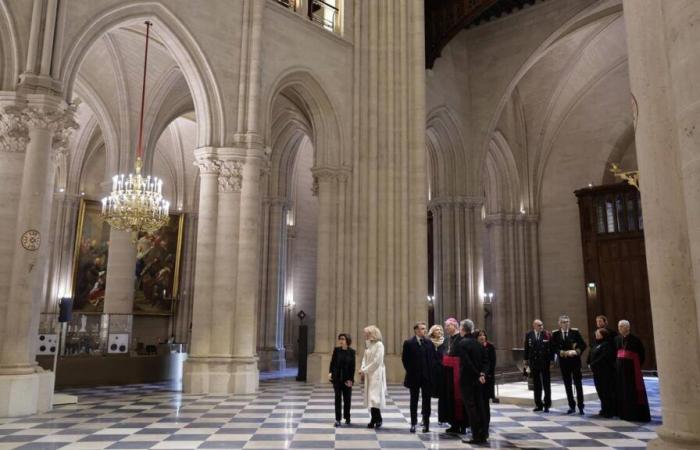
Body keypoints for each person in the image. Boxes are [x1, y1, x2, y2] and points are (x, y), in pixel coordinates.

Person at [456, 319, 489, 445]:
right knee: (480, 407)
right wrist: (482, 374)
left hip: (467, 380)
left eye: (460, 327)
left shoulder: (462, 343)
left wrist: (477, 374)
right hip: (479, 380)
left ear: (463, 329)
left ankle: (476, 436)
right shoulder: (478, 344)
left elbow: (467, 363)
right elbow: (486, 362)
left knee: (471, 408)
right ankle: (483, 434)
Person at [402, 321, 435, 433]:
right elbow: (405, 360)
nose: (424, 330)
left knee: (427, 401)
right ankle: (413, 423)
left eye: (425, 328)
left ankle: (426, 423)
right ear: (416, 330)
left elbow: (432, 359)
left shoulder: (429, 343)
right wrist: (411, 371)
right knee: (414, 400)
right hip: (414, 376)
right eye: (421, 328)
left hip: (427, 377)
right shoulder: (408, 343)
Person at [615, 320, 651, 422]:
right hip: (620, 371)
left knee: (632, 392)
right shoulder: (617, 339)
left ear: (628, 327)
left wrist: (635, 365)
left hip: (631, 371)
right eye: (619, 326)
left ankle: (633, 414)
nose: (620, 328)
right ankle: (623, 413)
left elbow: (641, 355)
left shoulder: (636, 340)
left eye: (622, 326)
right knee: (622, 391)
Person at [551, 314, 587, 414]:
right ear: (559, 323)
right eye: (563, 322)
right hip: (564, 362)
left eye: (567, 322)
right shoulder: (555, 334)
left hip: (575, 362)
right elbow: (553, 347)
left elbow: (583, 345)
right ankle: (571, 406)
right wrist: (562, 353)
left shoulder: (575, 332)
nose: (566, 324)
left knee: (578, 384)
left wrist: (576, 352)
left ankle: (581, 406)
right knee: (567, 385)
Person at [438, 318, 466, 434]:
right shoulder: (447, 340)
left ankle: (462, 425)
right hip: (448, 374)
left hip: (458, 373)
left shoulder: (461, 338)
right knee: (450, 398)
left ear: (455, 326)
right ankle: (453, 424)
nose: (446, 328)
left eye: (448, 326)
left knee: (459, 399)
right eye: (446, 326)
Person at [360, 325, 387, 428]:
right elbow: (364, 358)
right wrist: (363, 368)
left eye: (366, 333)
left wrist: (365, 370)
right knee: (371, 398)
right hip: (369, 374)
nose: (365, 335)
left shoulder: (379, 345)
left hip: (376, 374)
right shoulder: (369, 344)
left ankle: (376, 419)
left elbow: (377, 362)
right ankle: (375, 418)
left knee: (374, 397)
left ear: (372, 334)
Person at [523, 319, 553, 412]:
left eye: (542, 325)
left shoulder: (547, 334)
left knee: (546, 384)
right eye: (539, 325)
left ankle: (547, 404)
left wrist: (552, 361)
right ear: (534, 326)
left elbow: (551, 348)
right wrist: (525, 360)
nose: (541, 327)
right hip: (534, 363)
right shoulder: (529, 334)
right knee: (536, 385)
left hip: (544, 362)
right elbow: (526, 348)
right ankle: (538, 404)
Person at [588, 328, 616, 418]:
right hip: (597, 372)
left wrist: (593, 364)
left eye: (598, 333)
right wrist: (588, 362)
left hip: (605, 372)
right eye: (596, 333)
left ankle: (609, 410)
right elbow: (591, 354)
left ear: (603, 334)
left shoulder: (607, 345)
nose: (596, 335)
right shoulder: (595, 344)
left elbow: (604, 357)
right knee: (600, 391)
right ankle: (603, 408)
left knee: (606, 391)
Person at [329, 333, 356, 426]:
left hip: (347, 379)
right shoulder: (336, 350)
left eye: (343, 339)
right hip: (337, 378)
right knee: (337, 399)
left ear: (347, 340)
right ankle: (337, 419)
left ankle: (347, 417)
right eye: (340, 339)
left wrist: (351, 380)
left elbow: (353, 367)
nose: (341, 340)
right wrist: (330, 373)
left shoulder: (352, 352)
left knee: (347, 399)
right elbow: (332, 363)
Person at [427, 325, 445, 410]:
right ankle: (425, 417)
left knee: (442, 396)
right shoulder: (428, 343)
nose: (439, 331)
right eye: (437, 330)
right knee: (427, 396)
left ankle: (442, 418)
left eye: (440, 330)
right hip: (430, 372)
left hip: (442, 372)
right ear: (432, 332)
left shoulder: (444, 342)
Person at [477, 330, 496, 404]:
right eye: (480, 335)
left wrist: (488, 373)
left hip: (488, 375)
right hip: (479, 374)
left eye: (483, 335)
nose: (482, 337)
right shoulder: (476, 346)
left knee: (486, 398)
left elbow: (492, 362)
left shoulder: (490, 346)